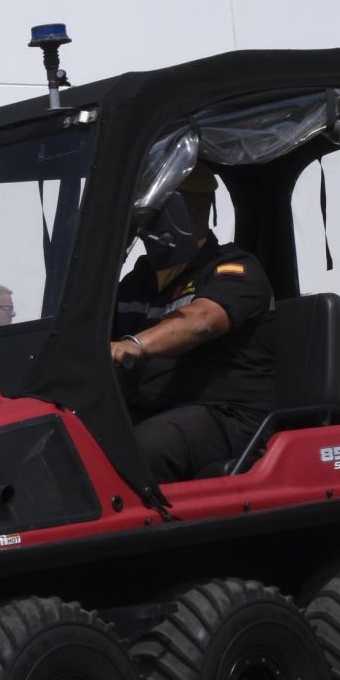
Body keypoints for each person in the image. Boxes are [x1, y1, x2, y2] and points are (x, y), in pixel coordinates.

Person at [109, 165, 276, 484]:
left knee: (139, 449)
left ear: (190, 208)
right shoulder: (139, 280)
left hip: (227, 417)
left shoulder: (234, 269)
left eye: (153, 208)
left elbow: (201, 321)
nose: (142, 221)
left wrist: (133, 345)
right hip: (153, 409)